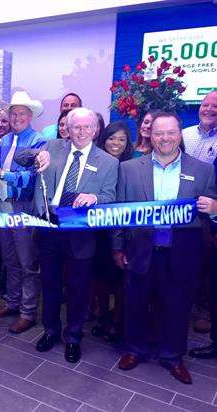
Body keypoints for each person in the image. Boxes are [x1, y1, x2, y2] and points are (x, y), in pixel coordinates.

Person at [113, 112, 217, 384]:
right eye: (159, 133)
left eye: (171, 132)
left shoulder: (202, 170)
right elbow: (120, 211)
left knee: (178, 308)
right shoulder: (129, 169)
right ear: (150, 135)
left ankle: (172, 357)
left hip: (182, 253)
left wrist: (214, 208)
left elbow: (211, 213)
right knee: (135, 304)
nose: (165, 138)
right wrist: (117, 247)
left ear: (180, 134)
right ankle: (135, 349)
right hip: (139, 251)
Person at [16, 107, 119, 363]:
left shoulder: (109, 162)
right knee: (50, 283)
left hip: (81, 232)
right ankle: (50, 331)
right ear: (68, 130)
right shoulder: (52, 146)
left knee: (78, 287)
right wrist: (37, 154)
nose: (81, 132)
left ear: (95, 130)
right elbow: (20, 157)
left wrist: (95, 198)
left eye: (86, 127)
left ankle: (73, 337)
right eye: (76, 127)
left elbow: (111, 196)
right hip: (50, 227)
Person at [0, 90, 49, 334]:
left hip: (23, 207)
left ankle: (27, 313)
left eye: (22, 113)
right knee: (10, 259)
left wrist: (3, 175)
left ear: (30, 115)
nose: (16, 118)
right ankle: (12, 303)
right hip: (3, 205)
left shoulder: (38, 141)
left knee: (27, 263)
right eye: (13, 113)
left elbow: (33, 178)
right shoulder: (3, 141)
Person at [90, 122, 134, 341]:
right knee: (100, 276)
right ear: (104, 139)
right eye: (111, 138)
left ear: (128, 143)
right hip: (98, 229)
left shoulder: (133, 166)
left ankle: (118, 318)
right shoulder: (95, 162)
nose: (116, 143)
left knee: (120, 277)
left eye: (121, 139)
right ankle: (102, 315)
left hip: (123, 229)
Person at [182, 91, 217, 334]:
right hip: (179, 207)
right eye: (206, 104)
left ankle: (203, 310)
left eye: (215, 106)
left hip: (208, 210)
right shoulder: (184, 134)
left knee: (205, 261)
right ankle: (181, 307)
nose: (209, 109)